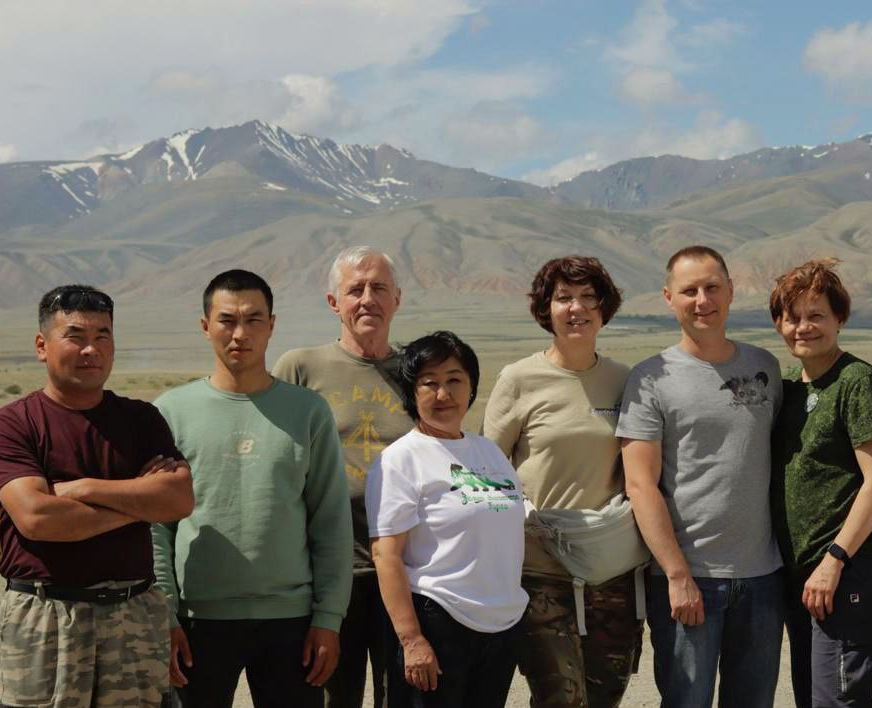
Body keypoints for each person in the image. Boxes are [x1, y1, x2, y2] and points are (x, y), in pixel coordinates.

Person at [0, 284, 193, 708]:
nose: (90, 350)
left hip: (132, 614)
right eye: (75, 336)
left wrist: (84, 490)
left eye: (102, 336)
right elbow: (39, 519)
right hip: (45, 617)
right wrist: (137, 504)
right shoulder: (11, 425)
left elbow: (177, 500)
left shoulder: (141, 419)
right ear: (42, 346)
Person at [153, 269, 354, 707]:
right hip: (196, 621)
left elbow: (331, 522)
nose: (240, 333)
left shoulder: (307, 411)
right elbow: (156, 530)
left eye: (253, 319)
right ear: (206, 326)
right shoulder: (171, 412)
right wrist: (165, 618)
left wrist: (328, 619)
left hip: (292, 622)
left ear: (272, 325)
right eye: (227, 320)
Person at [617, 245, 785, 708]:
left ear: (731, 291)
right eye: (689, 291)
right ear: (669, 299)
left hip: (762, 577)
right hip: (689, 578)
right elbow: (640, 484)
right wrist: (676, 575)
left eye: (712, 288)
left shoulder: (764, 366)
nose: (702, 300)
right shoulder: (650, 378)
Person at [482, 256, 643, 708]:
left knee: (605, 693)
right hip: (540, 570)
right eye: (564, 298)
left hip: (610, 569)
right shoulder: (519, 379)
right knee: (561, 698)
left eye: (589, 297)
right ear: (545, 309)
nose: (577, 308)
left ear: (604, 308)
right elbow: (486, 471)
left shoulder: (623, 380)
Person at [274, 246, 413, 708]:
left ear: (398, 298)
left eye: (379, 288)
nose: (367, 299)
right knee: (334, 695)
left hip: (409, 567)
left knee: (404, 693)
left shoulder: (420, 371)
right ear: (334, 302)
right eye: (355, 289)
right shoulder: (301, 367)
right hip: (331, 570)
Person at [367, 331, 528, 708]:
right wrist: (412, 640)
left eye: (454, 380)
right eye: (430, 383)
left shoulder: (488, 450)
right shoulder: (402, 458)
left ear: (471, 386)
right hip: (439, 623)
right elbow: (386, 555)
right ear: (412, 392)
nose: (444, 394)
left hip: (500, 625)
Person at [768, 258, 872, 708]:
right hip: (797, 574)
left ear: (839, 318)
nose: (803, 327)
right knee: (814, 697)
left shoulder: (856, 382)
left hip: (846, 569)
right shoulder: (785, 386)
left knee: (839, 700)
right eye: (792, 317)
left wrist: (835, 559)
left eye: (816, 315)